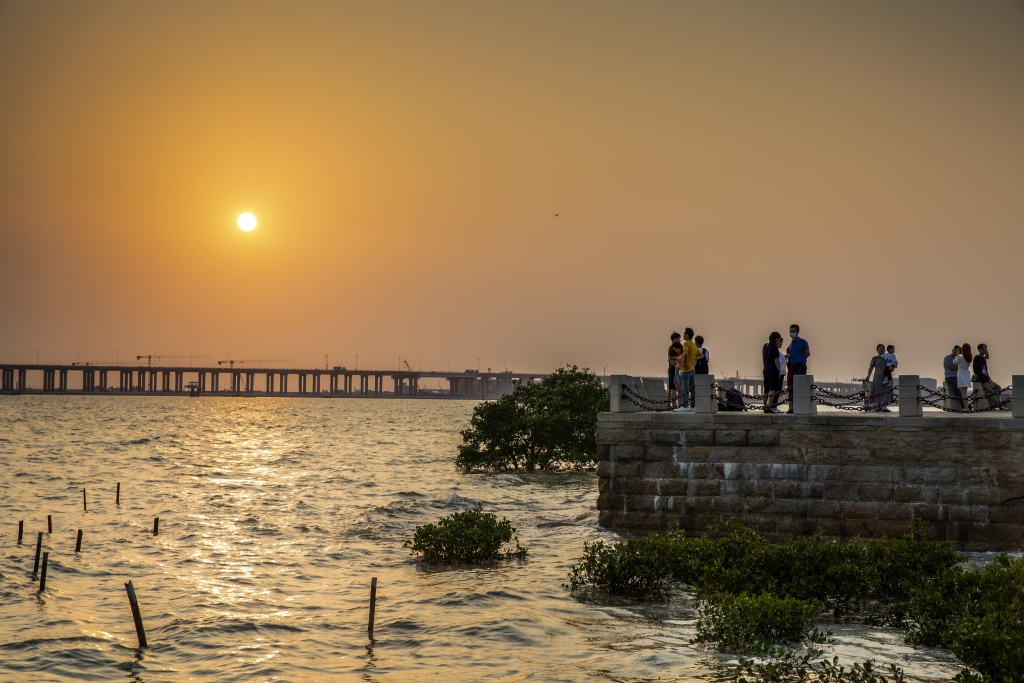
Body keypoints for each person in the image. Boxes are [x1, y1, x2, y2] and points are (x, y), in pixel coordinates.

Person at [674, 327, 704, 411]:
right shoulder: (694, 345)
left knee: (685, 388)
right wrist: (693, 359)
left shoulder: (686, 344)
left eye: (684, 334)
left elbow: (686, 353)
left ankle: (684, 406)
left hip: (686, 370)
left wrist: (685, 363)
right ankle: (693, 406)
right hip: (692, 369)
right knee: (692, 388)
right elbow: (702, 355)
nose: (683, 335)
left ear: (687, 335)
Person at [785, 324, 809, 414]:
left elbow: (808, 353)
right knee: (792, 386)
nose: (791, 333)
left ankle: (800, 406)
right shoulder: (791, 344)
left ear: (798, 332)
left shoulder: (803, 342)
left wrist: (801, 358)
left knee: (800, 386)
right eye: (790, 331)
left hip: (800, 365)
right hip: (792, 366)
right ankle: (792, 407)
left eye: (793, 331)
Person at [973, 343, 1003, 411]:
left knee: (998, 388)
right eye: (983, 349)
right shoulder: (977, 357)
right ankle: (999, 405)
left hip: (986, 378)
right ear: (980, 350)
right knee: (990, 392)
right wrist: (986, 348)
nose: (985, 351)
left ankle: (993, 405)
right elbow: (987, 356)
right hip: (982, 379)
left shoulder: (983, 359)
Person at [865, 344, 893, 411]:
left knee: (886, 391)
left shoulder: (888, 357)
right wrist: (868, 376)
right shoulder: (875, 358)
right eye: (880, 348)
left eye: (883, 348)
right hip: (878, 377)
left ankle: (885, 407)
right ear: (877, 350)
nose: (882, 349)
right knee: (877, 391)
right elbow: (871, 367)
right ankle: (879, 406)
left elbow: (893, 364)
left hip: (887, 376)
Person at [762, 332, 784, 413]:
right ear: (776, 339)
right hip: (772, 371)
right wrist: (778, 371)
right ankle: (770, 406)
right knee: (772, 390)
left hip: (765, 370)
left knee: (766, 390)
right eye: (779, 339)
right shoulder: (774, 348)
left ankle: (764, 406)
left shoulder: (765, 346)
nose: (779, 340)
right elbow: (776, 361)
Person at [943, 345, 963, 410]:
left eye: (958, 351)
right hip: (950, 377)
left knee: (962, 391)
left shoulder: (959, 358)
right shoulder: (947, 358)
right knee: (957, 390)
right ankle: (963, 406)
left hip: (958, 377)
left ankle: (964, 405)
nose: (957, 352)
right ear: (953, 350)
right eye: (956, 351)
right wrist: (959, 369)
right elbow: (951, 366)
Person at [667, 332, 684, 408]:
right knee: (673, 388)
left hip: (672, 369)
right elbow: (672, 359)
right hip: (674, 369)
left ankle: (669, 404)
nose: (680, 340)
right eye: (679, 339)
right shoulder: (672, 348)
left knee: (671, 388)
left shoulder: (671, 348)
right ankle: (673, 405)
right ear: (674, 339)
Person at [955, 343, 973, 412]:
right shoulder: (969, 358)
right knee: (965, 392)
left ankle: (966, 407)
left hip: (961, 375)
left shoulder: (960, 357)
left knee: (963, 393)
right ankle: (966, 407)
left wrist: (957, 354)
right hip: (966, 374)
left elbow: (954, 362)